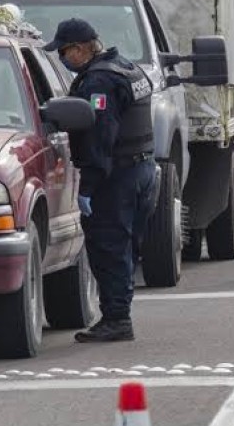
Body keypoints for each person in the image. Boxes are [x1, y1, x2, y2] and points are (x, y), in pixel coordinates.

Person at [44, 18, 157, 343]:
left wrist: (88, 186)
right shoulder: (127, 68)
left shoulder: (98, 81)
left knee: (109, 247)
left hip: (116, 177)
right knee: (125, 247)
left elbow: (99, 137)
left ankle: (117, 319)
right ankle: (118, 313)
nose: (64, 60)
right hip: (142, 169)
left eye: (64, 52)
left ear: (79, 49)